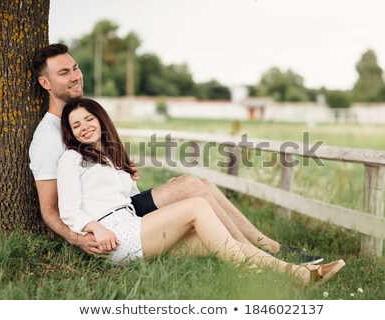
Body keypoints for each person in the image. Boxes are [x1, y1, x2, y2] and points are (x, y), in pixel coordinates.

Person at [29, 43, 323, 263]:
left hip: (125, 203)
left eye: (75, 67)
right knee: (192, 189)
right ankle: (264, 250)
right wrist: (81, 240)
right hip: (110, 218)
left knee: (199, 184)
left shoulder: (84, 117)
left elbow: (96, 174)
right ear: (46, 83)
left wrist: (120, 173)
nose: (75, 76)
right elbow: (51, 209)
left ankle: (264, 247)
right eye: (63, 73)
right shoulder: (48, 137)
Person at [57, 97, 345, 286]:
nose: (84, 128)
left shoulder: (109, 157)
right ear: (70, 133)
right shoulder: (71, 158)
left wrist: (125, 175)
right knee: (196, 205)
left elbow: (128, 201)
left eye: (88, 120)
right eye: (76, 125)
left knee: (216, 241)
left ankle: (295, 275)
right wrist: (94, 227)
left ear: (100, 118)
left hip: (132, 224)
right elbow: (68, 209)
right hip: (112, 233)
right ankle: (275, 269)